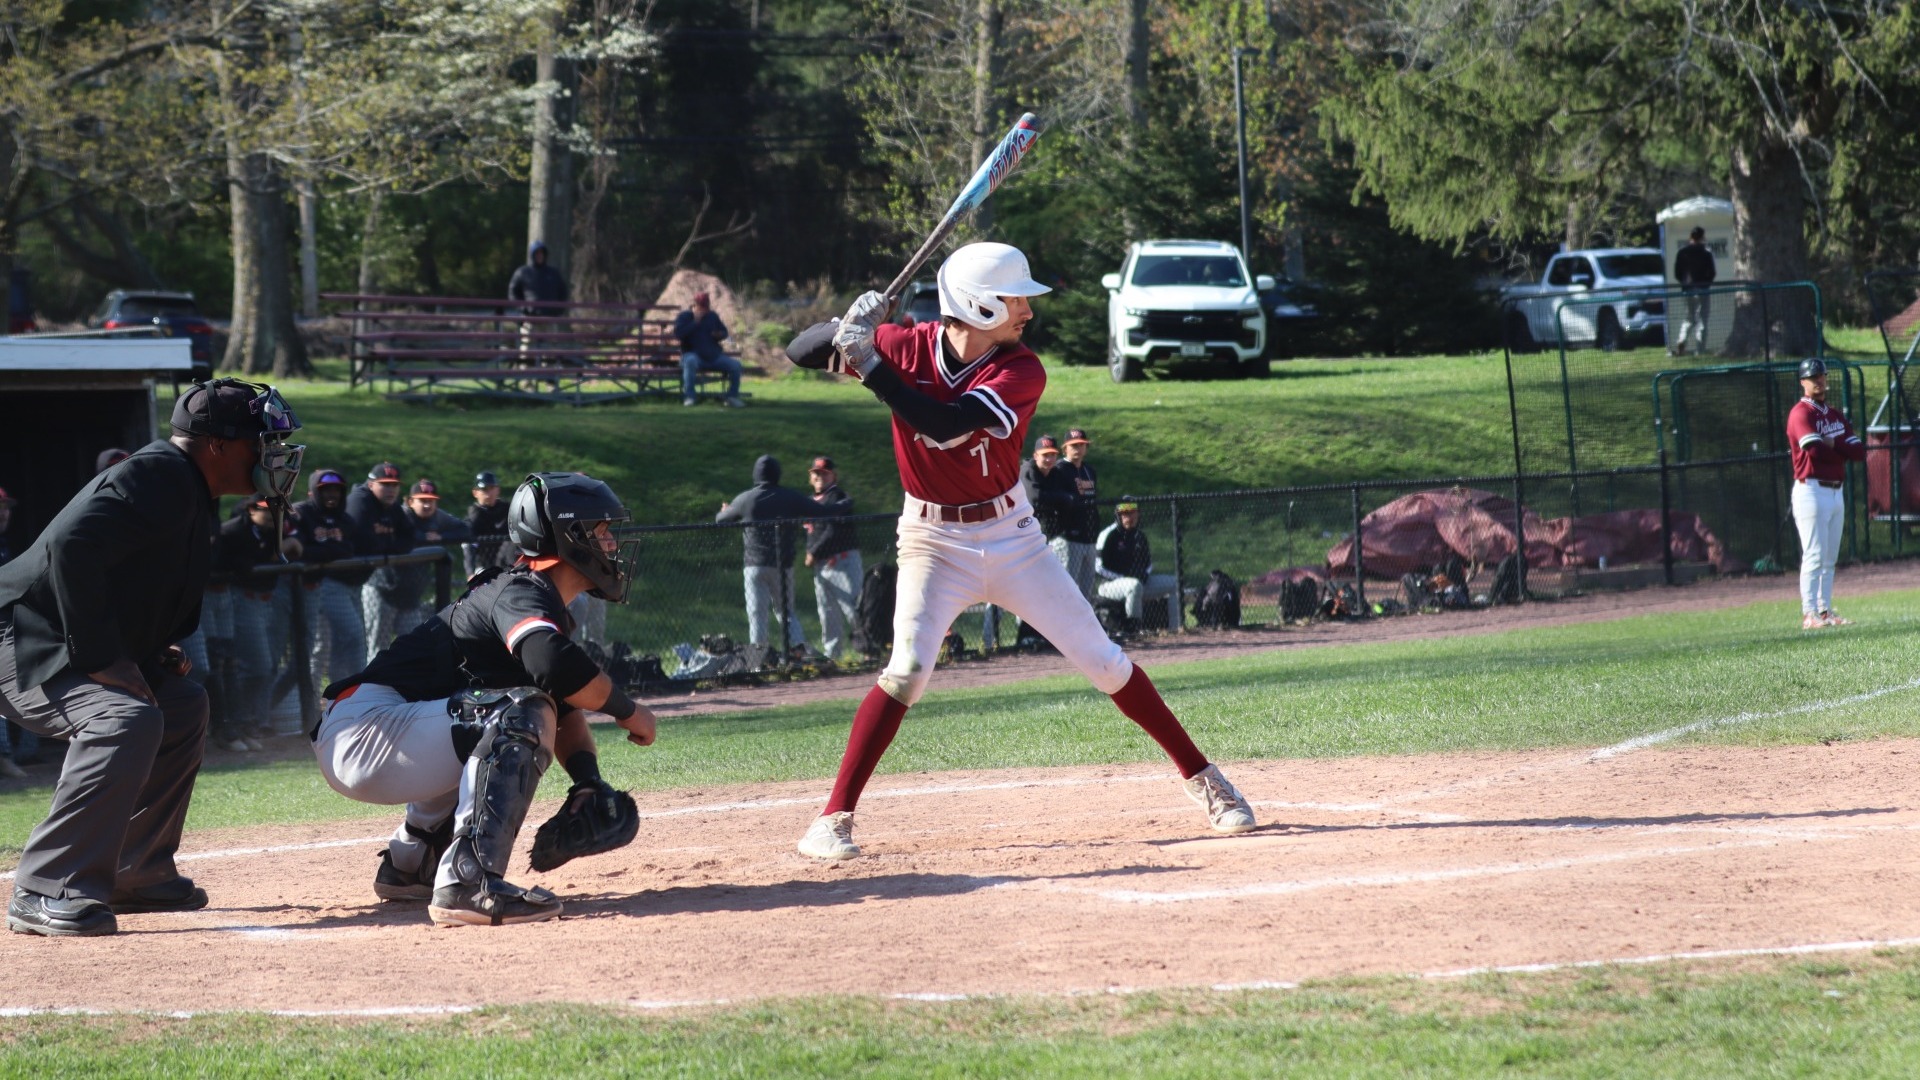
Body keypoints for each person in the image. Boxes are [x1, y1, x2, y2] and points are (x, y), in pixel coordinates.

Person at [783, 241, 1254, 861]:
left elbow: (944, 425)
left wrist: (870, 362)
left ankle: (1205, 779)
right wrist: (850, 323)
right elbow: (799, 352)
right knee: (906, 673)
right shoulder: (902, 344)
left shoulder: (1021, 368)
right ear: (977, 306)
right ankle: (833, 819)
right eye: (1014, 299)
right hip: (931, 539)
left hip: (1013, 538)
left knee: (1105, 661)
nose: (1026, 310)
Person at [0, 378, 303, 936]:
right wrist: (99, 657)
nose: (270, 455)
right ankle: (46, 884)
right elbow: (72, 549)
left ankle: (132, 871)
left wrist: (140, 649)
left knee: (182, 704)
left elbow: (116, 574)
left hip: (51, 632)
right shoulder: (161, 474)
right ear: (216, 445)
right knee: (124, 718)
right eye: (259, 442)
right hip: (21, 639)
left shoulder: (184, 484)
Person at [313, 472, 656, 926]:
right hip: (368, 729)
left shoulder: (534, 602)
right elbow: (554, 668)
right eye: (601, 530)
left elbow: (563, 701)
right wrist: (631, 713)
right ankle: (468, 882)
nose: (611, 543)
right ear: (567, 536)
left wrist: (587, 781)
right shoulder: (520, 590)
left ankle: (415, 860)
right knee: (520, 712)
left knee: (521, 710)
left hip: (376, 732)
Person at [1787, 358, 1865, 629]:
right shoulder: (1800, 413)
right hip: (1811, 490)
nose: (1819, 380)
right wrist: (1838, 447)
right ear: (1803, 382)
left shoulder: (1833, 414)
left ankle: (1824, 611)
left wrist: (1833, 443)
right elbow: (1815, 451)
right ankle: (1808, 613)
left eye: (1821, 375)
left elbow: (1858, 452)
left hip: (1834, 491)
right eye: (1812, 377)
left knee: (1829, 557)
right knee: (1814, 554)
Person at [216, 495, 303, 739]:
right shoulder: (234, 531)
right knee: (257, 666)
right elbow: (241, 564)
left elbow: (298, 547)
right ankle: (239, 719)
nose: (273, 513)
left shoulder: (270, 531)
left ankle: (250, 720)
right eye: (267, 509)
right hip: (240, 599)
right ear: (250, 509)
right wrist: (275, 553)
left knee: (263, 666)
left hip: (265, 601)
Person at [716, 455, 818, 655]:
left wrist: (726, 510)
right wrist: (843, 504)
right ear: (777, 474)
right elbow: (820, 510)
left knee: (757, 613)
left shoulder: (745, 499)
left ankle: (759, 654)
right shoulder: (790, 496)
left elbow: (721, 519)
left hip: (754, 565)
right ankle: (797, 648)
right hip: (783, 565)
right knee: (786, 611)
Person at [288, 468, 367, 696]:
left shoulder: (345, 519)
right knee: (317, 647)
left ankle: (343, 693)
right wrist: (334, 550)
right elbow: (299, 551)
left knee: (331, 644)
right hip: (305, 589)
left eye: (336, 490)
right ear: (313, 492)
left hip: (334, 587)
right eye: (325, 490)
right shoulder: (301, 513)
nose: (331, 495)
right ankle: (310, 703)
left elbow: (353, 548)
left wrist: (326, 550)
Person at [347, 461, 416, 657]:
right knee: (346, 642)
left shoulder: (390, 506)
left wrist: (383, 544)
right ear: (371, 484)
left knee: (355, 641)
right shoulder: (359, 500)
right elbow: (361, 539)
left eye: (394, 485)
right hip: (336, 580)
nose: (391, 489)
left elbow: (409, 537)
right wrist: (388, 543)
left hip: (359, 580)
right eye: (385, 484)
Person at [391, 479, 472, 636]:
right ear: (410, 501)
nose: (427, 505)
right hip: (385, 589)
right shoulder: (401, 515)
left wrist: (441, 536)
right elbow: (400, 535)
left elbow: (465, 531)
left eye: (431, 501)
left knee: (411, 640)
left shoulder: (437, 517)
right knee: (377, 642)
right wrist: (424, 537)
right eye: (422, 500)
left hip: (411, 594)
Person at [803, 456, 863, 662]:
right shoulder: (809, 502)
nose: (819, 476)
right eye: (816, 473)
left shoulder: (838, 497)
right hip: (822, 565)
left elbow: (832, 531)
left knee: (853, 608)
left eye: (824, 473)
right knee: (826, 612)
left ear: (833, 476)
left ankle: (869, 650)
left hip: (842, 560)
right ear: (810, 477)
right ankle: (832, 655)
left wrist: (813, 552)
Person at [1095, 499, 1182, 633]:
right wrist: (1124, 577)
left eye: (1133, 513)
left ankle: (1175, 629)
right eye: (1126, 514)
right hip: (1110, 585)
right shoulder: (1108, 535)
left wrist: (1145, 574)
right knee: (1134, 585)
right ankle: (1133, 629)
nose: (1130, 517)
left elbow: (1149, 564)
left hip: (1139, 583)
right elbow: (1098, 567)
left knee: (1174, 583)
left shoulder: (1139, 535)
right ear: (1118, 516)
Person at [674, 291, 745, 409]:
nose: (705, 310)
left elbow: (724, 332)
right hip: (692, 354)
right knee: (690, 361)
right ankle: (690, 397)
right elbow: (679, 334)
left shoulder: (712, 316)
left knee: (735, 365)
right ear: (695, 304)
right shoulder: (685, 316)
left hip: (714, 356)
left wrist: (720, 335)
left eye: (706, 307)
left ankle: (731, 397)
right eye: (702, 306)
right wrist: (695, 322)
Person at [1055, 428, 1100, 600]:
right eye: (1073, 445)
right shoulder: (1059, 470)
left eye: (1081, 445)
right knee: (1068, 589)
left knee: (1086, 592)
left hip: (1089, 537)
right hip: (1070, 538)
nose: (1078, 449)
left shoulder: (1089, 470)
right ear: (1064, 448)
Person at [1671, 226, 1716, 357]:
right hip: (1702, 289)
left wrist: (1685, 283)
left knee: (1689, 317)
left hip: (1687, 290)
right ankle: (1700, 350)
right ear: (1702, 237)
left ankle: (1681, 340)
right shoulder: (1706, 253)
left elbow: (1677, 273)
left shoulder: (1682, 252)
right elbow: (1712, 272)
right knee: (1702, 319)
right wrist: (1706, 283)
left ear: (1690, 237)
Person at [463, 471, 512, 576]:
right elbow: (468, 547)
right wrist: (470, 573)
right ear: (475, 492)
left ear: (497, 490)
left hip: (509, 564)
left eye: (491, 488)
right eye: (484, 489)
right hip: (483, 567)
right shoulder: (474, 516)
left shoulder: (507, 510)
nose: (488, 493)